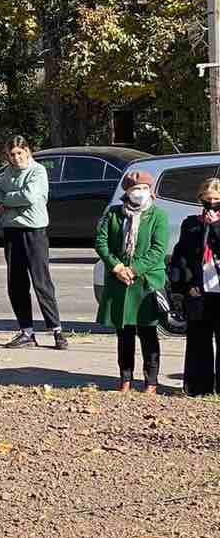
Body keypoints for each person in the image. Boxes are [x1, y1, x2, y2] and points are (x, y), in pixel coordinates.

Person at [95, 169, 169, 394]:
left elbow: (158, 249)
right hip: (119, 281)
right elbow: (101, 242)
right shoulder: (113, 214)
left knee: (148, 334)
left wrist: (134, 269)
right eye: (136, 189)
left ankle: (151, 382)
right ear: (127, 191)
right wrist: (117, 267)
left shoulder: (157, 215)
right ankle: (125, 379)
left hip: (146, 281)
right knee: (124, 334)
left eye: (145, 188)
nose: (141, 192)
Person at [0, 136, 67, 350]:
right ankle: (26, 331)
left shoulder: (37, 171)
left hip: (34, 231)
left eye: (19, 152)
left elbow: (29, 196)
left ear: (27, 151)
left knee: (41, 281)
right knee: (16, 283)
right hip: (12, 230)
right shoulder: (7, 173)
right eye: (12, 154)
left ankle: (56, 330)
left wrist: (7, 201)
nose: (16, 158)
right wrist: (5, 201)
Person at [169, 177, 220, 396]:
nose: (212, 203)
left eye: (216, 199)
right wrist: (187, 284)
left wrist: (215, 226)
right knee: (199, 341)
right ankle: (199, 387)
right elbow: (182, 256)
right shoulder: (191, 223)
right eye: (208, 199)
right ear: (200, 199)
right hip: (199, 289)